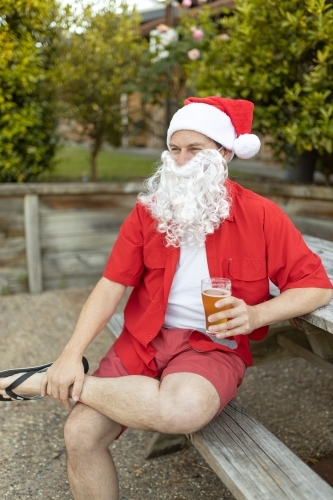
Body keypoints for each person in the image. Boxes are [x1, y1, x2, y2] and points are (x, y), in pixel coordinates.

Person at [1, 96, 332, 500]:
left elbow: (315, 285)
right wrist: (72, 353)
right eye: (174, 149)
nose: (181, 160)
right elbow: (111, 285)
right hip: (144, 339)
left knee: (183, 410)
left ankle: (42, 382)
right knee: (80, 433)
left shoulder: (261, 215)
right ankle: (62, 375)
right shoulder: (150, 211)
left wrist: (257, 313)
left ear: (225, 153)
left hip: (212, 345)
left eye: (195, 149)